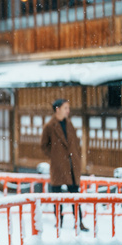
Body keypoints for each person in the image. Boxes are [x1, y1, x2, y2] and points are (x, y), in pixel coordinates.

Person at [40, 98, 88, 231]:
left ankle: (79, 221)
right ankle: (58, 221)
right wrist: (56, 156)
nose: (68, 110)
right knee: (57, 194)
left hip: (72, 164)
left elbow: (75, 142)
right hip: (58, 165)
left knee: (74, 194)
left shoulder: (69, 124)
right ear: (58, 109)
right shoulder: (49, 126)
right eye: (65, 108)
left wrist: (76, 155)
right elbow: (44, 146)